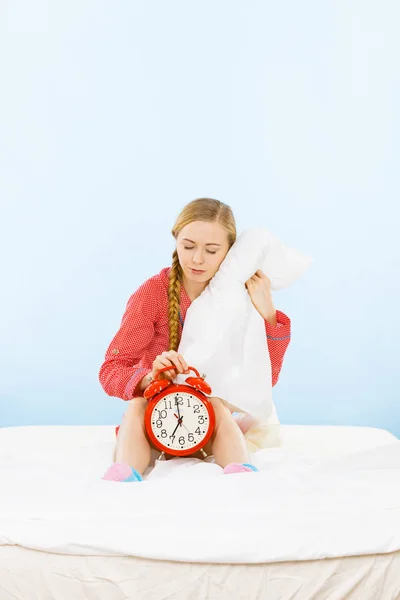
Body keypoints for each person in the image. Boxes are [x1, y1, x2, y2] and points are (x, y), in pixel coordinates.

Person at [99, 198, 291, 482]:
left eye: (211, 250)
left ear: (229, 252)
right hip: (157, 416)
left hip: (211, 420)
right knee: (137, 406)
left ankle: (242, 476)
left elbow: (265, 379)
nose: (197, 259)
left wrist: (268, 314)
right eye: (188, 246)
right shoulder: (153, 294)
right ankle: (125, 475)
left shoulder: (240, 299)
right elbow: (111, 369)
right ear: (176, 239)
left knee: (217, 404)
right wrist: (150, 378)